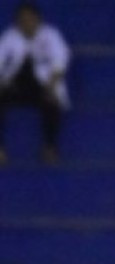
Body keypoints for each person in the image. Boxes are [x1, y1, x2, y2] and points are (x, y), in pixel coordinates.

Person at [0, 2, 69, 165]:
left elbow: (60, 62)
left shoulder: (51, 35)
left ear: (38, 19)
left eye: (29, 19)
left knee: (52, 103)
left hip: (42, 85)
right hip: (16, 85)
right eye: (22, 20)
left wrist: (51, 87)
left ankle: (50, 147)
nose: (26, 23)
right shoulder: (10, 36)